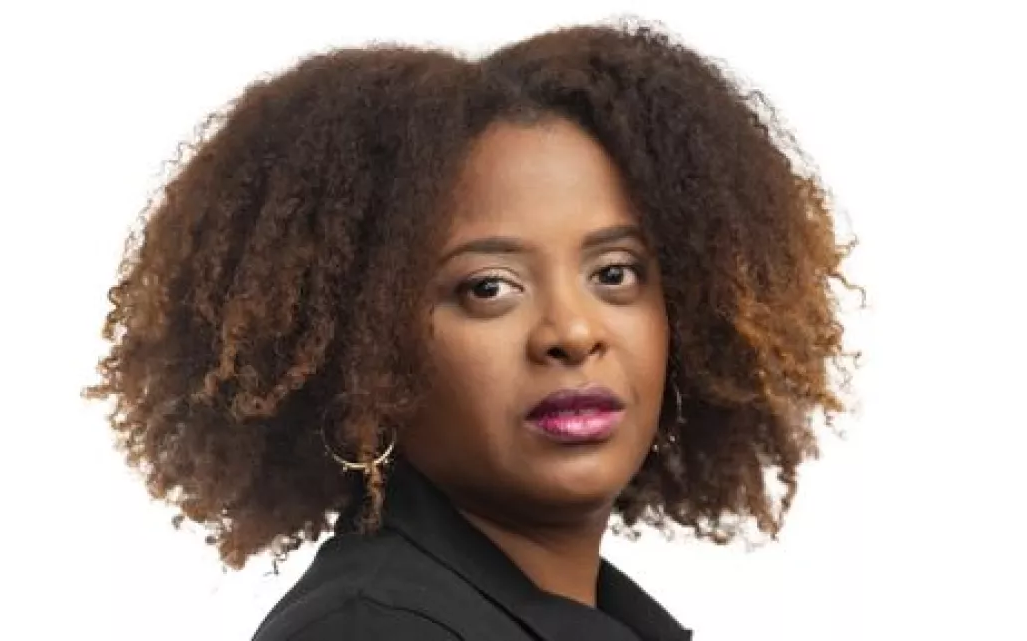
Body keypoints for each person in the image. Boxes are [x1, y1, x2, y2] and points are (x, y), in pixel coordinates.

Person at [86, 21, 856, 641]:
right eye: (488, 287)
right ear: (368, 353)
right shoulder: (375, 630)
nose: (572, 331)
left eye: (615, 272)